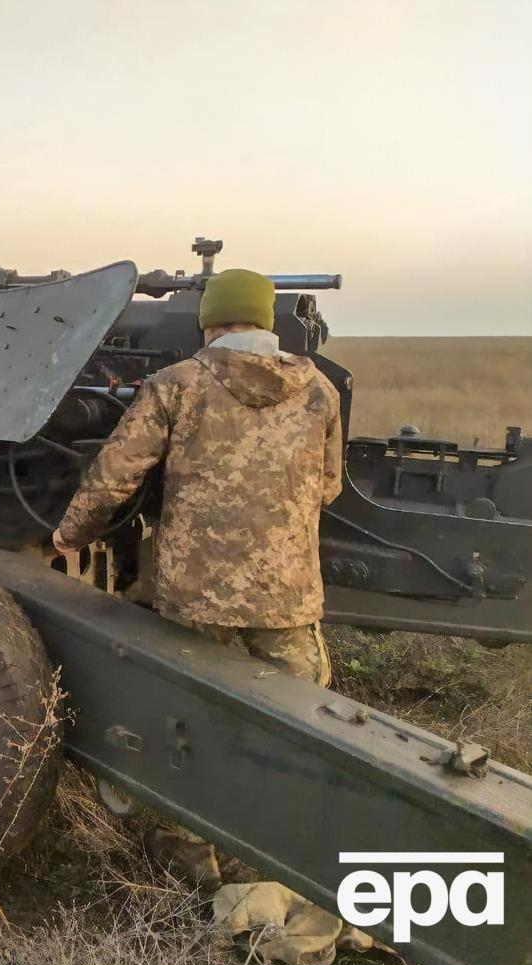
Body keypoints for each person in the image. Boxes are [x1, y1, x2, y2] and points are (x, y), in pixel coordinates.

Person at [52, 268, 343, 884]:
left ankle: (190, 870)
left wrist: (70, 533)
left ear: (207, 321)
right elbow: (329, 487)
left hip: (194, 599)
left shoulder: (175, 384)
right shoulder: (319, 390)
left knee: (185, 729)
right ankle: (287, 868)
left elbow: (114, 477)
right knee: (300, 736)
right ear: (267, 321)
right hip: (288, 599)